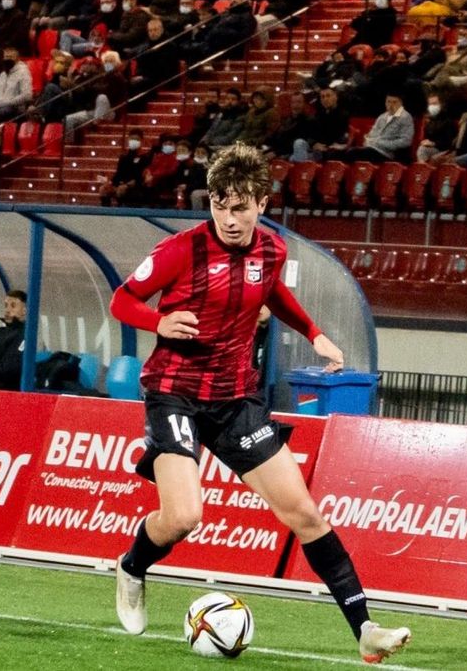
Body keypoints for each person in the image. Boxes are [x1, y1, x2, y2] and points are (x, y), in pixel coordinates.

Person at [108, 144, 411, 663]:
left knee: (305, 514)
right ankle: (132, 567)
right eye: (219, 206)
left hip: (235, 399)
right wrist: (158, 321)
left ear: (261, 204)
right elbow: (122, 299)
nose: (229, 218)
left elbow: (273, 294)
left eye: (240, 207)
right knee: (183, 517)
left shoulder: (272, 250)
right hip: (175, 392)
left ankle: (365, 629)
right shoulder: (181, 250)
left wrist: (314, 332)